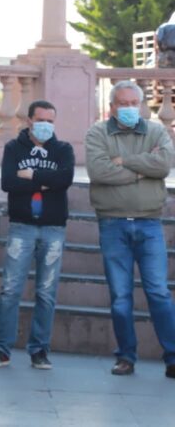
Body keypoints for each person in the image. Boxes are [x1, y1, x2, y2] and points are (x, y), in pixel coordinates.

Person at [85, 80, 175, 378]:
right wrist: (141, 171)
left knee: (159, 292)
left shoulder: (156, 131)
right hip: (113, 224)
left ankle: (173, 357)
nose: (128, 108)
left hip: (149, 223)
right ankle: (125, 357)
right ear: (112, 107)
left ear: (141, 105)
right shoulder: (98, 133)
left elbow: (163, 165)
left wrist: (124, 162)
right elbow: (99, 171)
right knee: (120, 296)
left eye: (133, 103)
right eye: (122, 104)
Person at [0, 100, 74, 371]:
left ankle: (39, 350)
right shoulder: (14, 148)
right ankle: (1, 350)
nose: (45, 125)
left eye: (50, 121)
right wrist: (46, 181)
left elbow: (65, 180)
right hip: (22, 226)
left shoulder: (63, 149)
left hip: (53, 228)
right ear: (29, 120)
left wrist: (31, 175)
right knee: (10, 289)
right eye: (41, 120)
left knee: (46, 292)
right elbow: (9, 182)